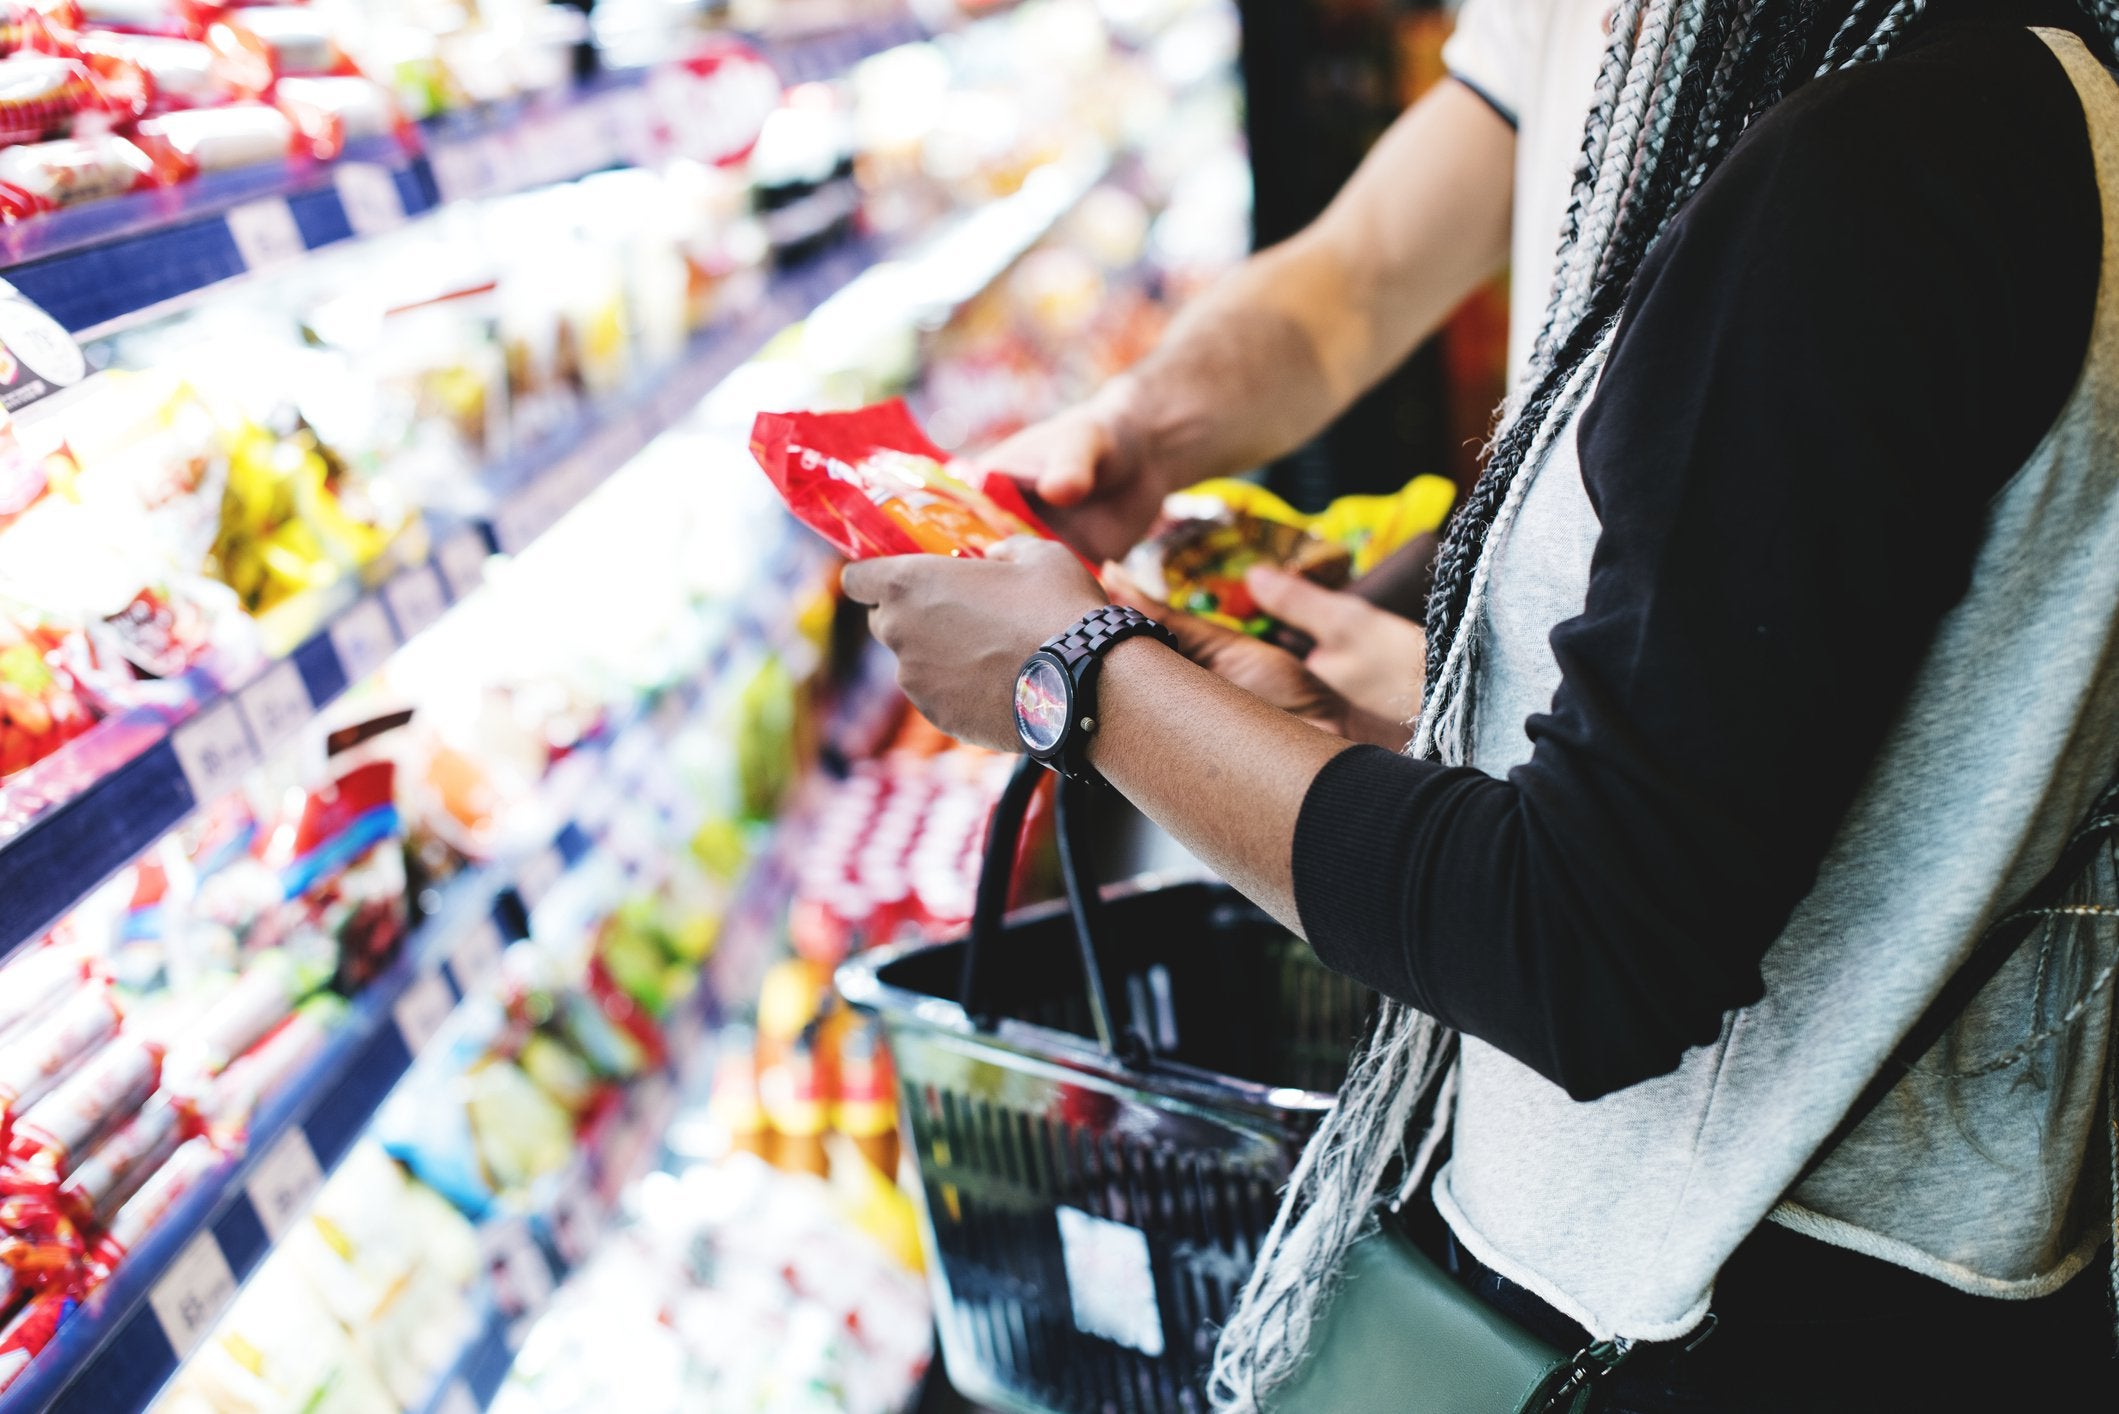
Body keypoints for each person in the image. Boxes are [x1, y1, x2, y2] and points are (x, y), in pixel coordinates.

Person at [843, 0, 2119, 1407]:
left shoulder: (1868, 181)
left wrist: (1079, 680)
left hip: (1710, 1303)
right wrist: (1367, 738)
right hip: (1930, 1277)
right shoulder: (2042, 100)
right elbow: (1778, 770)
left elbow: (1585, 951)